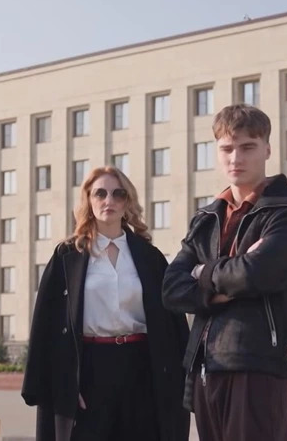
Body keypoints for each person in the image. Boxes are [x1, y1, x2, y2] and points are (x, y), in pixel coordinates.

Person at [162, 104, 287, 441]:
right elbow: (171, 289)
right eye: (227, 149)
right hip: (204, 364)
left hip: (256, 363)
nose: (236, 158)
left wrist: (200, 273)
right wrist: (223, 281)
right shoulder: (206, 218)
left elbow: (253, 274)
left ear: (267, 149)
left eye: (247, 147)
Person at [22, 166, 190, 441]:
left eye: (118, 194)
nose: (108, 200)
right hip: (89, 368)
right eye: (100, 193)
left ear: (127, 202)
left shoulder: (150, 257)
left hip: (141, 367)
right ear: (88, 200)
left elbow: (173, 324)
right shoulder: (67, 257)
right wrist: (64, 384)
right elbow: (45, 325)